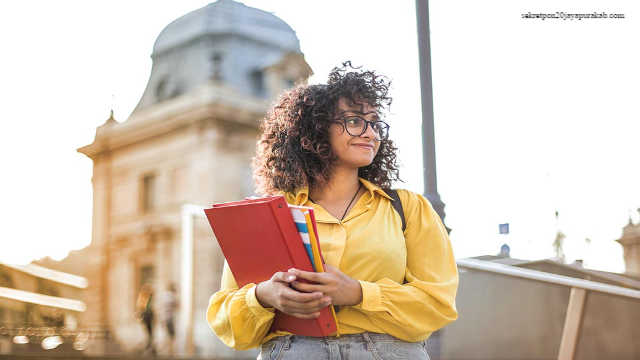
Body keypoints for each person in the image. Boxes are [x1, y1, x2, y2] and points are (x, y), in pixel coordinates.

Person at [206, 62, 458, 359]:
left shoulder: (408, 207)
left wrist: (359, 293)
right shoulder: (268, 214)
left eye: (375, 123)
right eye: (354, 121)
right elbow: (229, 324)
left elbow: (438, 304)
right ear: (315, 129)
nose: (371, 133)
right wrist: (263, 296)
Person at [159, 282, 179, 355]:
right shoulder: (171, 296)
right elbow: (176, 306)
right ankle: (170, 351)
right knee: (172, 336)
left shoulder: (164, 296)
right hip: (169, 318)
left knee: (167, 335)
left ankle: (166, 350)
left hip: (164, 318)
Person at [136, 283, 155, 354]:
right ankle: (149, 347)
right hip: (146, 316)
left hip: (148, 316)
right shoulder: (144, 297)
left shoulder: (148, 297)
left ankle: (151, 347)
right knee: (149, 333)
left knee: (150, 333)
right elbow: (142, 307)